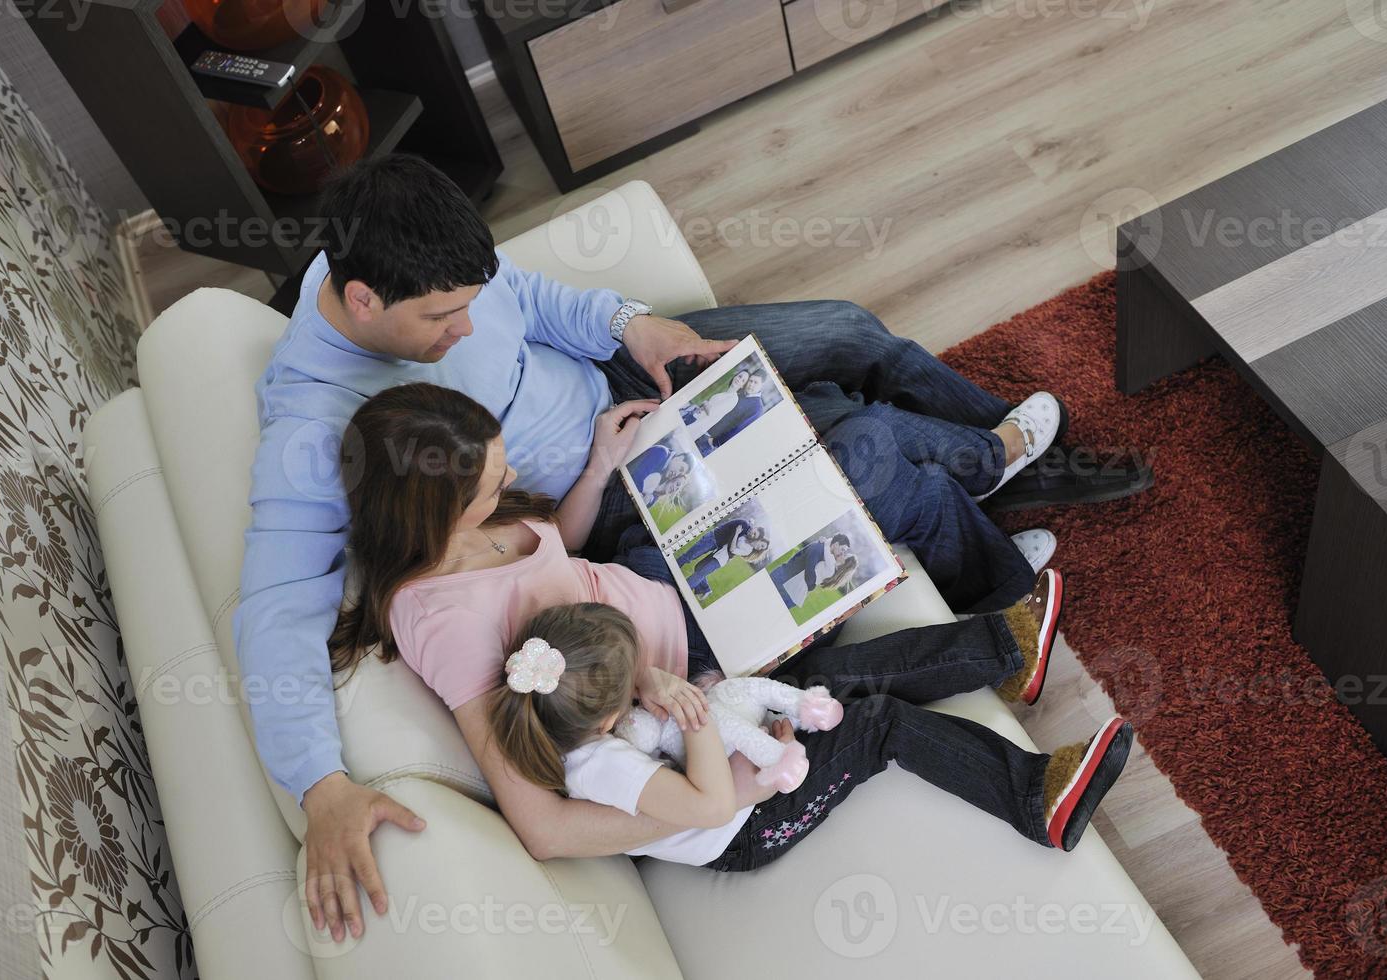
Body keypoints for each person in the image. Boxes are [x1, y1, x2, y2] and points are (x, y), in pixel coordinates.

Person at [232, 153, 1122, 937]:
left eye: (470, 303)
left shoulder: (401, 248)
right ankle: (989, 499)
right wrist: (320, 785)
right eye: (446, 319)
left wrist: (633, 326)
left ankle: (1001, 462)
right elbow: (274, 611)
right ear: (362, 303)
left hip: (616, 396)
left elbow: (533, 301)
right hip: (625, 510)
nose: (467, 328)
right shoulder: (314, 431)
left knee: (845, 330)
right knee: (857, 445)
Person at [331, 383, 1131, 879]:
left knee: (849, 446)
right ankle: (1007, 639)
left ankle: (1004, 634)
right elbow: (541, 826)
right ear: (430, 507)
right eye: (489, 481)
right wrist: (704, 798)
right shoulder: (440, 620)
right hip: (702, 659)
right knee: (867, 459)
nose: (508, 480)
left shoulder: (475, 519)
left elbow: (560, 552)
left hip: (660, 591)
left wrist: (601, 470)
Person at [490, 602, 1133, 871]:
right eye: (633, 680)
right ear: (605, 717)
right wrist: (700, 715)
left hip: (735, 769)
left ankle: (1001, 652)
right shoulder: (604, 768)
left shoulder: (579, 726)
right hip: (746, 827)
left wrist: (711, 711)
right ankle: (1033, 798)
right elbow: (713, 801)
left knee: (825, 680)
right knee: (875, 723)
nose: (644, 684)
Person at [679, 518, 769, 600]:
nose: (753, 535)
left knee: (699, 572)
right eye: (761, 545)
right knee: (698, 567)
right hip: (715, 543)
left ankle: (682, 590)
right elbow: (747, 526)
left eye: (761, 548)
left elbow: (732, 549)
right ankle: (704, 589)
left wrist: (737, 534)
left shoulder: (748, 548)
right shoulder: (745, 529)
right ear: (760, 539)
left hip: (721, 557)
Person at [770, 534, 852, 609]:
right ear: (836, 544)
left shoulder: (827, 554)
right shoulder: (818, 549)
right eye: (842, 549)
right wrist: (811, 587)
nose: (843, 553)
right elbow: (809, 577)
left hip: (790, 588)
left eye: (845, 551)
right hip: (783, 581)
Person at [702, 371, 769, 450]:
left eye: (756, 382)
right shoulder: (741, 394)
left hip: (710, 442)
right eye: (750, 381)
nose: (751, 384)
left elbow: (739, 430)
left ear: (762, 385)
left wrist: (715, 442)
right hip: (703, 429)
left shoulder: (757, 408)